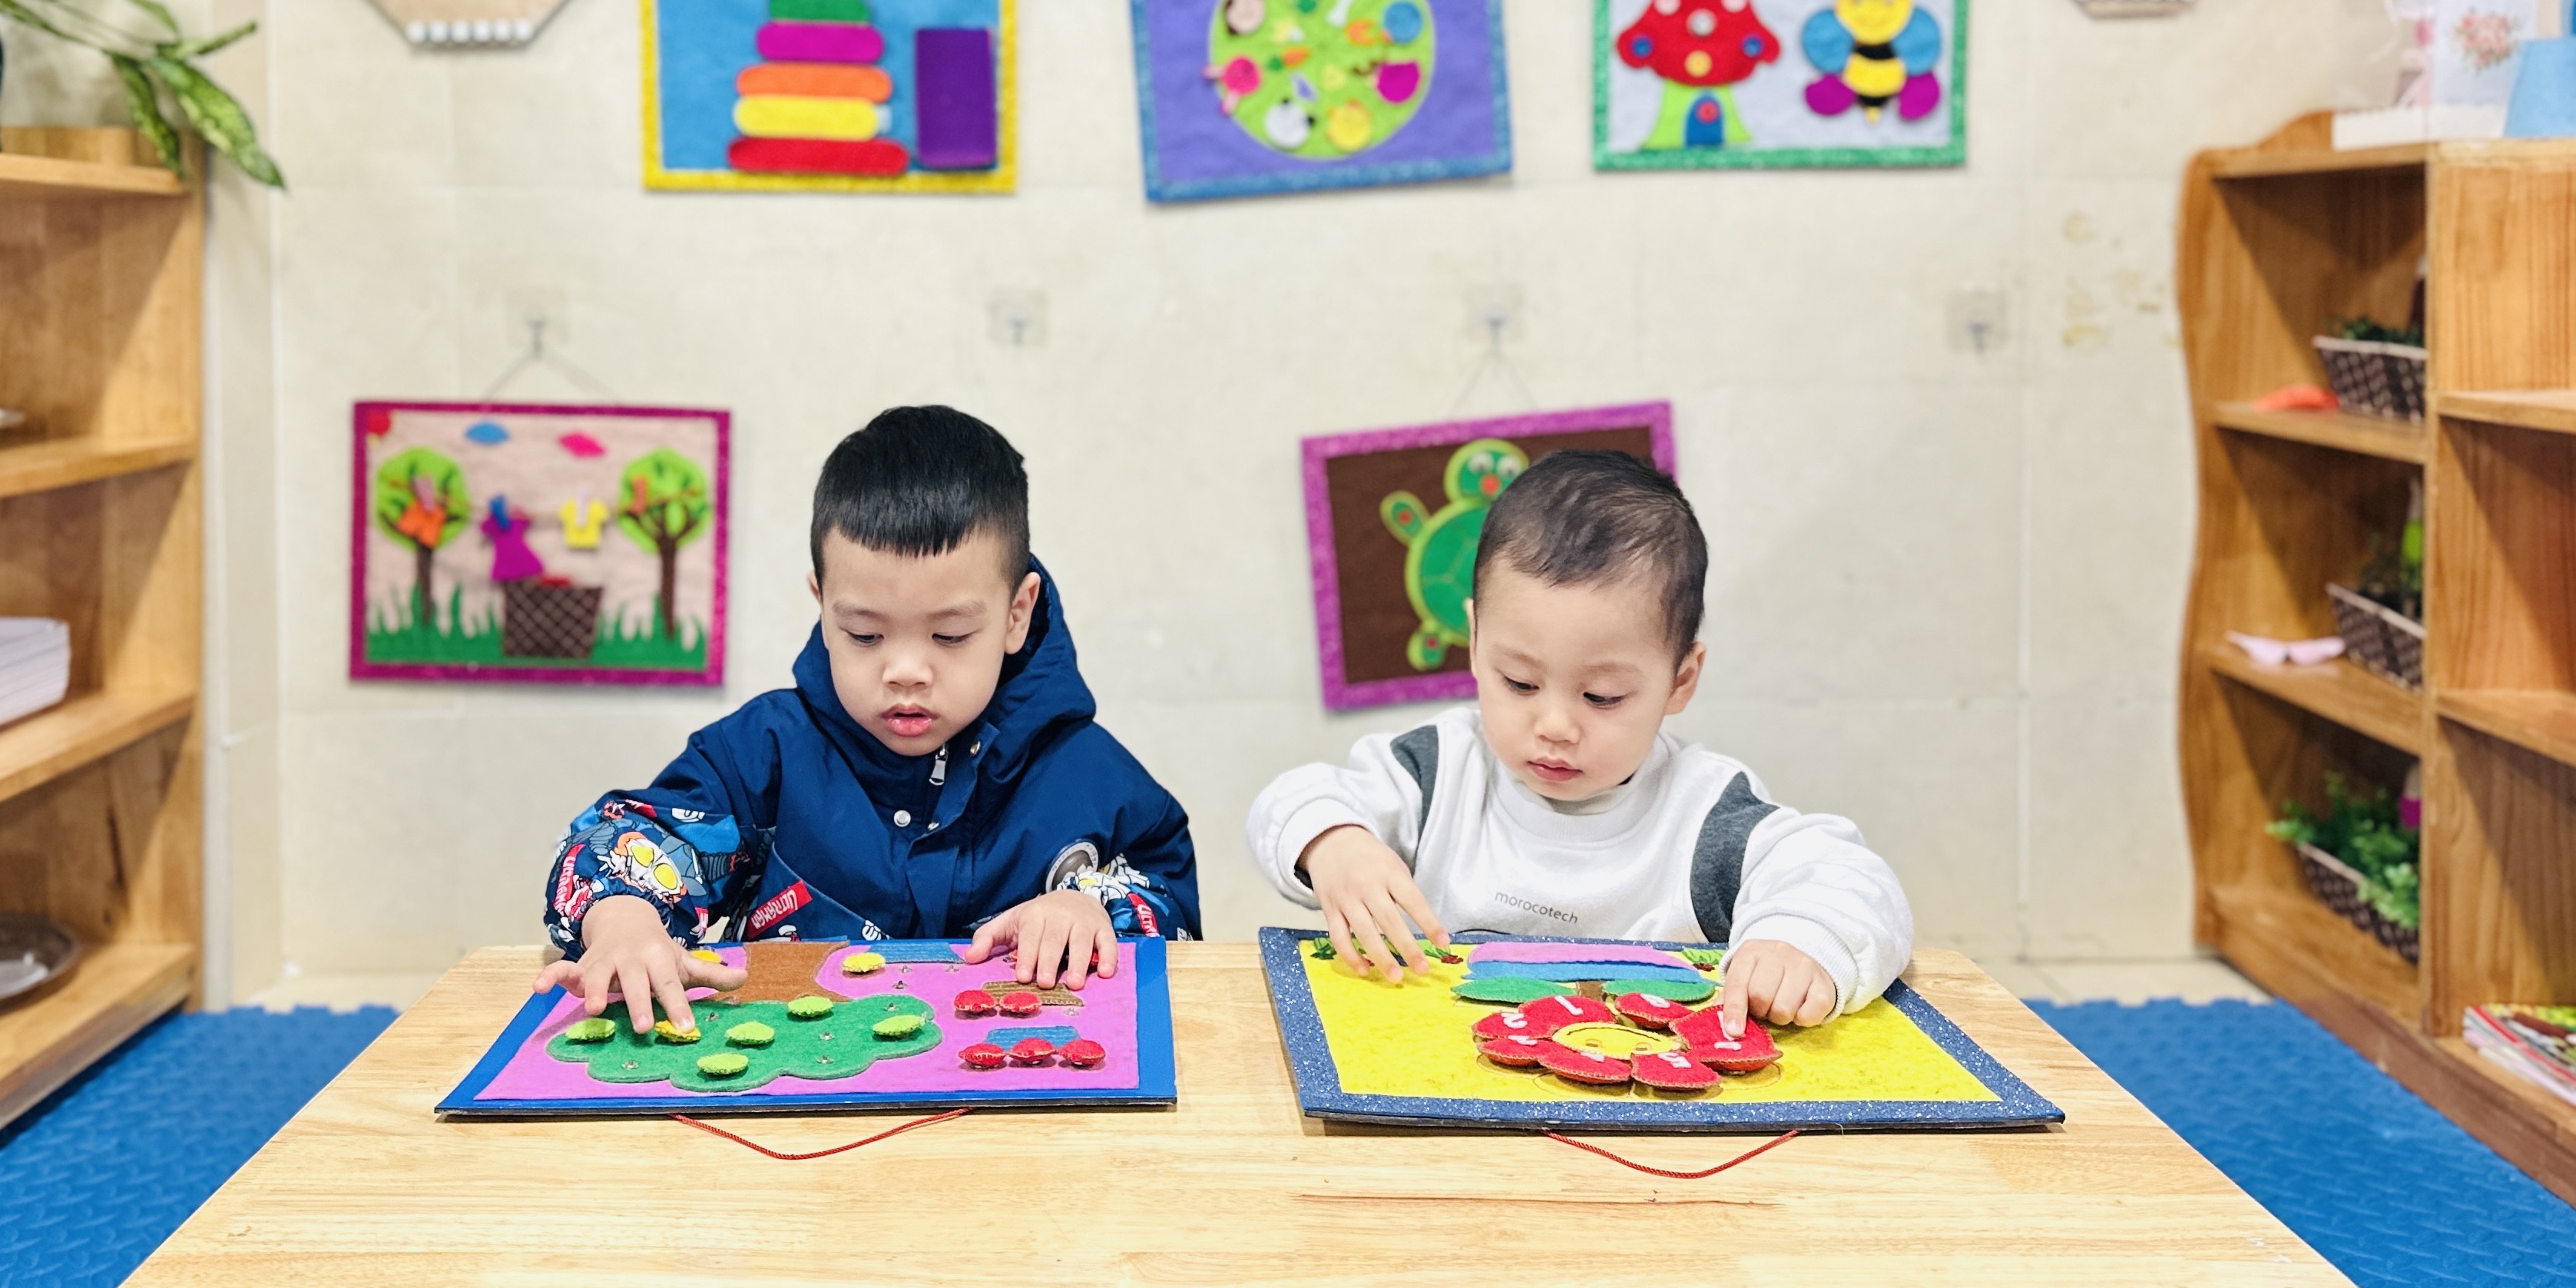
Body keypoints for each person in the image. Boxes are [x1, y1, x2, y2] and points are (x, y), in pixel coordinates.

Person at [542, 405, 1197, 1034]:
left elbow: (1169, 898)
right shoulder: (764, 753)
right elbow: (634, 840)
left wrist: (1091, 908)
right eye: (864, 634)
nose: (905, 671)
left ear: (1016, 614)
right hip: (797, 1086)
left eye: (950, 635)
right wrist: (622, 918)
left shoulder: (1086, 773)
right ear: (823, 604)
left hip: (1019, 1086)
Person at [1247, 449, 1909, 1032]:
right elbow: (1294, 797)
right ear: (1475, 642)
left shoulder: (1707, 815)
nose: (1556, 725)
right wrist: (1334, 843)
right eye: (1519, 682)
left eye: (1602, 696)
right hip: (1444, 1098)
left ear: (1680, 680)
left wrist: (1800, 938)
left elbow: (1849, 877)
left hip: (1645, 1108)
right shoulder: (1439, 770)